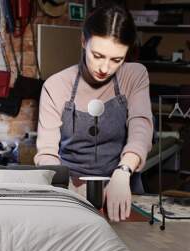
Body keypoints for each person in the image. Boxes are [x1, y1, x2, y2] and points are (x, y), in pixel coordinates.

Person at [34, 4, 153, 222]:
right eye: (97, 55)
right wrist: (66, 188)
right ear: (83, 42)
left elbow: (141, 129)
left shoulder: (134, 76)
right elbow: (47, 153)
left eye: (117, 60)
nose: (105, 68)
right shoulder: (56, 86)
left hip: (124, 185)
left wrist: (123, 172)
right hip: (71, 191)